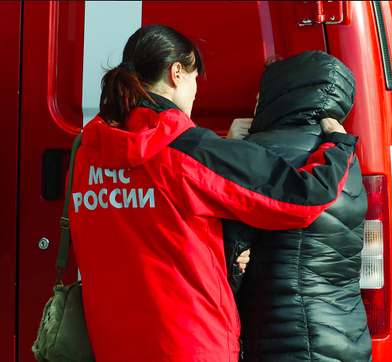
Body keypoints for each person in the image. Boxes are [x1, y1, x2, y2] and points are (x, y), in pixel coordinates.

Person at [68, 25, 359, 362]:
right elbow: (303, 198)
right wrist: (338, 146)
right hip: (191, 344)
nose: (194, 95)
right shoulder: (190, 151)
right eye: (195, 79)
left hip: (114, 346)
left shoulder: (88, 152)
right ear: (177, 73)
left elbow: (148, 225)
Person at [224, 50, 373, 362]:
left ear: (280, 96)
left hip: (284, 336)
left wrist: (230, 150)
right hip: (346, 332)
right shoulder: (343, 155)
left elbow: (225, 255)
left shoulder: (261, 151)